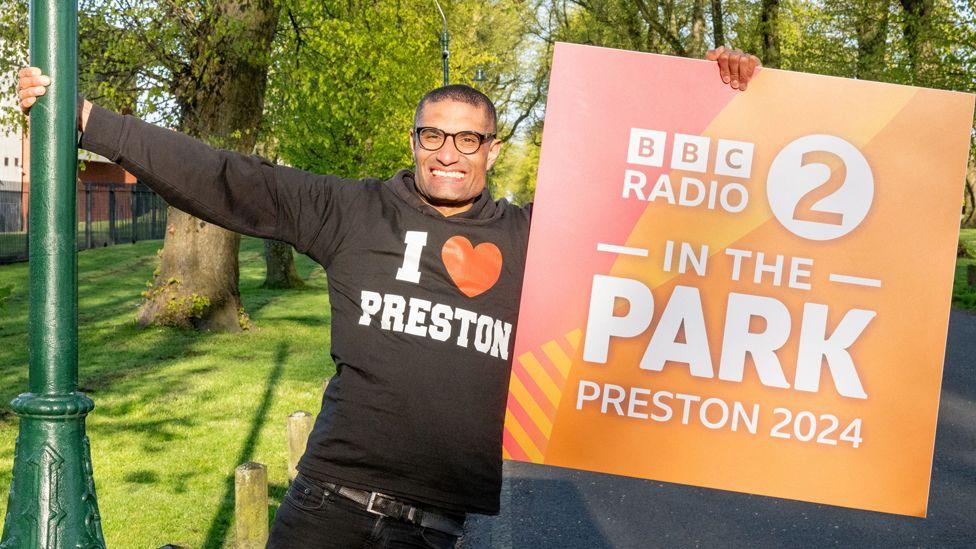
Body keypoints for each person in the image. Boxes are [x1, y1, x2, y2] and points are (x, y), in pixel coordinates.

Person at [17, 46, 760, 549]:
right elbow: (224, 179)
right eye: (433, 135)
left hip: (440, 528)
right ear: (413, 141)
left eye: (467, 140)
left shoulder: (542, 239)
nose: (447, 152)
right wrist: (92, 122)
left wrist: (718, 93)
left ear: (493, 149)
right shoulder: (354, 211)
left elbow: (660, 212)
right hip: (327, 510)